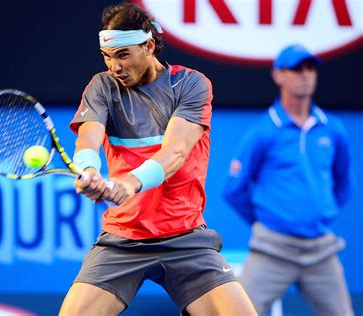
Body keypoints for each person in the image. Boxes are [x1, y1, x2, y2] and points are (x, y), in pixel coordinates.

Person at [59, 3, 257, 316]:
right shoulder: (103, 86)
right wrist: (88, 170)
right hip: (123, 239)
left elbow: (175, 152)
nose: (115, 66)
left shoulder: (190, 84)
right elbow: (88, 138)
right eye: (107, 56)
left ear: (149, 46)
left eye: (123, 54)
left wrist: (131, 182)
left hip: (186, 237)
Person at [223, 44, 354, 316]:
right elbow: (234, 189)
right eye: (296, 69)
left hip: (321, 249)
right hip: (272, 248)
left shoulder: (333, 129)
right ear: (278, 76)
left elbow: (343, 185)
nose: (305, 74)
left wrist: (318, 213)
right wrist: (269, 220)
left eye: (310, 68)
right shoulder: (263, 131)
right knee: (238, 313)